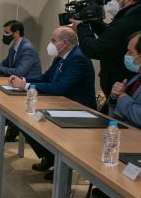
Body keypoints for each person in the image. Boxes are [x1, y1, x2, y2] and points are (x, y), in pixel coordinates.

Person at [9, 27, 96, 181]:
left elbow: (60, 88)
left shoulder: (78, 58)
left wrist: (26, 87)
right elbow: (46, 77)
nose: (50, 44)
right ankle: (49, 158)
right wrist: (24, 81)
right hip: (60, 102)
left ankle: (61, 166)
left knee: (36, 122)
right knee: (27, 122)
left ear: (65, 43)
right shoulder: (61, 56)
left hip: (77, 108)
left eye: (53, 41)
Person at [71, 0, 141, 113]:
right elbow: (113, 40)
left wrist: (82, 27)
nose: (112, 2)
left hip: (124, 89)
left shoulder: (127, 21)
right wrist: (96, 23)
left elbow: (96, 49)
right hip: (121, 89)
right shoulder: (132, 17)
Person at [0, 20, 42, 142]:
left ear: (16, 33)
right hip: (13, 84)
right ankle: (12, 124)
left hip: (27, 88)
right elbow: (5, 63)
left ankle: (13, 124)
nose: (4, 35)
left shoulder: (27, 48)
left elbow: (19, 72)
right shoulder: (14, 46)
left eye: (7, 32)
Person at [108, 31, 141, 128]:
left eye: (130, 52)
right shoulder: (136, 78)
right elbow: (116, 116)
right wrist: (114, 98)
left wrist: (123, 98)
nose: (126, 55)